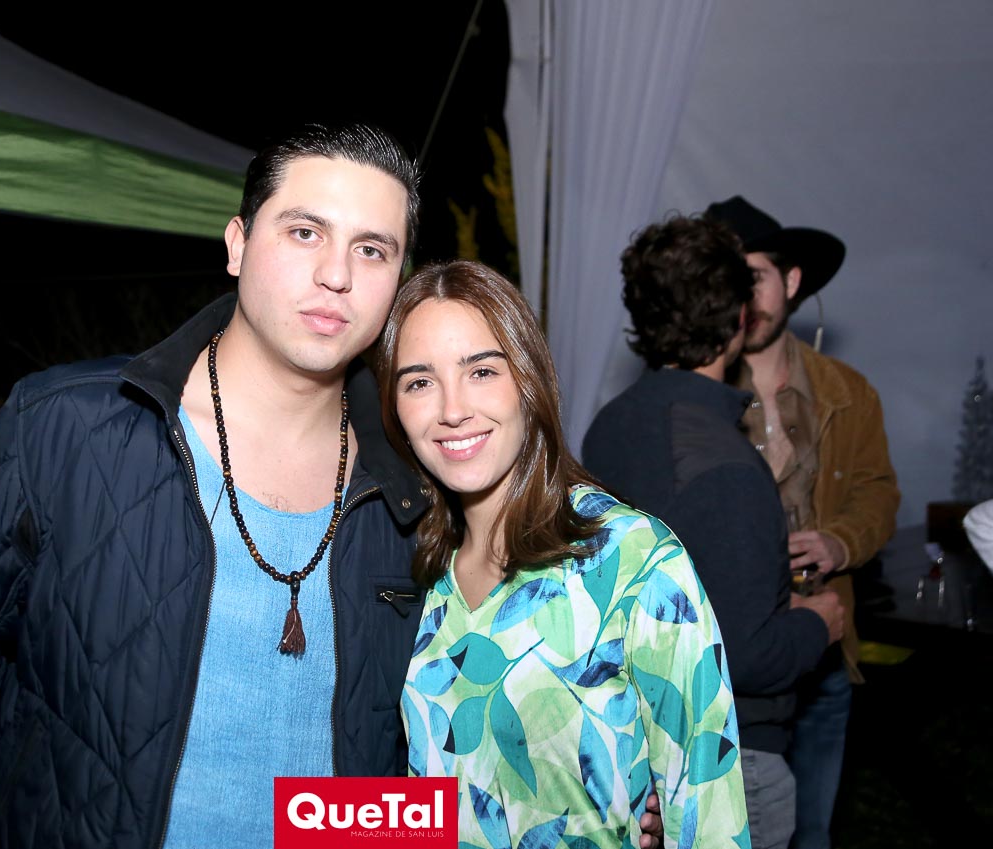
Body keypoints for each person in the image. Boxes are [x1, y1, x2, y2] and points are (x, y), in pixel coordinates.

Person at [0, 123, 669, 849]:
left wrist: (562, 810)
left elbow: (384, 787)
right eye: (305, 231)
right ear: (238, 244)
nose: (336, 274)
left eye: (372, 250)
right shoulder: (66, 430)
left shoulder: (418, 493)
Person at [377, 260, 747, 849]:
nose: (452, 408)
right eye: (419, 382)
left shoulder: (631, 559)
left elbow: (709, 813)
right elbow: (429, 801)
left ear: (528, 381)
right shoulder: (407, 564)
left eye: (481, 371)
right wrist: (281, 821)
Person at [582, 215, 846, 849]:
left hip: (633, 741)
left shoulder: (609, 425)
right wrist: (818, 623)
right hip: (725, 762)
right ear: (740, 320)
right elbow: (744, 657)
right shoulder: (726, 466)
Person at [705, 196, 900, 849]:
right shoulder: (695, 396)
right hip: (730, 661)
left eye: (753, 276)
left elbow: (877, 490)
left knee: (811, 832)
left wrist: (840, 542)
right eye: (726, 280)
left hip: (819, 650)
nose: (742, 297)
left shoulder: (847, 391)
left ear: (790, 281)